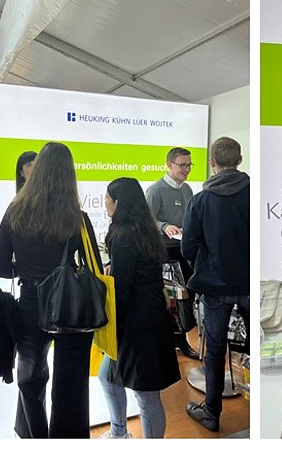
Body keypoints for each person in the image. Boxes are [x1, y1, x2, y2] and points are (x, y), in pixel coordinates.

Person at [0, 142, 102, 438]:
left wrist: (25, 270)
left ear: (37, 171)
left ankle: (35, 436)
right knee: (71, 385)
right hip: (71, 307)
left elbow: (0, 267)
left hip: (30, 303)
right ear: (69, 175)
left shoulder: (15, 212)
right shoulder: (78, 218)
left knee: (30, 377)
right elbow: (94, 268)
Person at [98, 177, 181, 439]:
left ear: (118, 202)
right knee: (108, 377)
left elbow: (123, 290)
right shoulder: (144, 230)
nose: (105, 203)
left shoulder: (123, 236)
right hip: (149, 316)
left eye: (107, 198)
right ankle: (118, 433)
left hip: (137, 325)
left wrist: (110, 325)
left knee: (146, 395)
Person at [181, 137, 249, 432]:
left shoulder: (199, 200)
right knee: (258, 347)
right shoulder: (253, 194)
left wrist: (203, 265)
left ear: (212, 162)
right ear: (239, 160)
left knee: (215, 349)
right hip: (249, 284)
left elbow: (188, 246)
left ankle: (211, 411)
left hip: (214, 286)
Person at [145, 147, 200, 360]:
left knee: (185, 297)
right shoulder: (155, 190)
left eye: (189, 165)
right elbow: (148, 221)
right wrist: (164, 226)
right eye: (182, 165)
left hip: (183, 248)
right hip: (164, 251)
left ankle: (181, 338)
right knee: (169, 299)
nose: (187, 169)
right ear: (169, 165)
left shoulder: (187, 189)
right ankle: (167, 341)